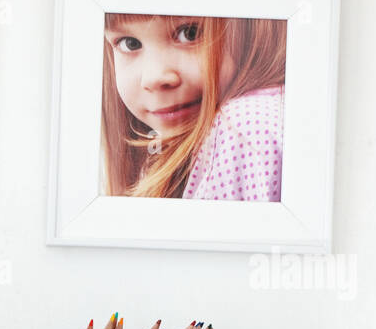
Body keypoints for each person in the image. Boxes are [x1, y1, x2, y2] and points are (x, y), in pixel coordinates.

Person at [100, 15, 286, 201]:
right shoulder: (155, 150)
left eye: (191, 33)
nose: (153, 77)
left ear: (252, 28)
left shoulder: (246, 128)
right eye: (130, 43)